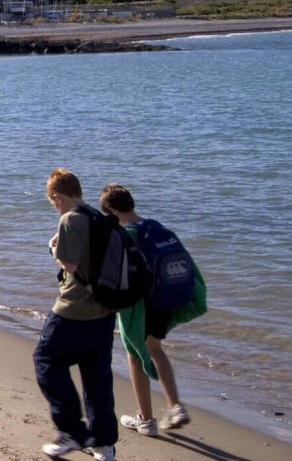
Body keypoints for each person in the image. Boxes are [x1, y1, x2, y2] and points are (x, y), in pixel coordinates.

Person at [99, 184, 203, 437]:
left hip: (141, 307)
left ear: (111, 209)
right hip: (166, 301)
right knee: (155, 349)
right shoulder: (157, 228)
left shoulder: (126, 235)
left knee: (135, 354)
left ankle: (146, 420)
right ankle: (174, 405)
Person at [36, 168, 117, 461]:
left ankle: (71, 430)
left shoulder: (70, 218)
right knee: (97, 376)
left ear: (57, 197)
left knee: (45, 360)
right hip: (104, 311)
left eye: (53, 201)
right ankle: (104, 443)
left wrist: (52, 247)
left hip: (73, 309)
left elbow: (69, 264)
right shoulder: (97, 216)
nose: (55, 206)